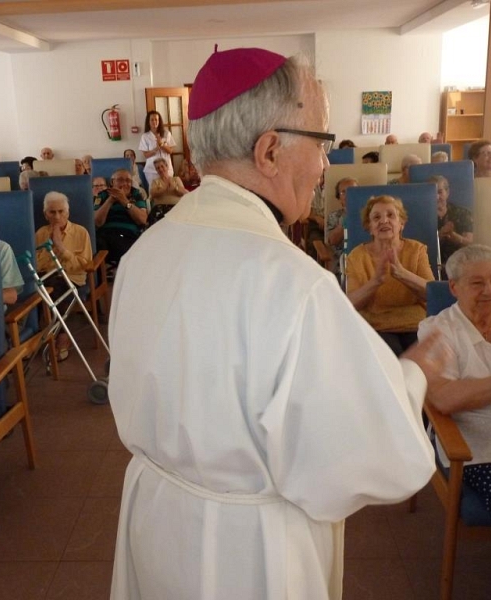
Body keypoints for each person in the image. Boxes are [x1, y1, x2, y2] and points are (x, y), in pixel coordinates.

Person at [107, 47, 442, 600]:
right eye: (322, 143)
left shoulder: (148, 250)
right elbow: (383, 457)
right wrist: (417, 372)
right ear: (269, 151)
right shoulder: (293, 283)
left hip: (157, 522)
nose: (325, 164)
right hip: (247, 556)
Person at [418, 244, 491, 577]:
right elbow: (444, 398)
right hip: (483, 447)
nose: (490, 291)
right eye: (477, 283)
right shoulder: (437, 331)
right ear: (454, 287)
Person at [346, 194, 435, 355]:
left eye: (390, 215)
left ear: (401, 224)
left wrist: (401, 273)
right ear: (370, 227)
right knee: (394, 361)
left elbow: (432, 294)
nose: (384, 221)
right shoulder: (357, 256)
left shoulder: (417, 250)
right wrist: (376, 281)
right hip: (376, 326)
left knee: (422, 361)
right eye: (376, 217)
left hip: (416, 324)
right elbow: (349, 304)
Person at [35, 191, 92, 360]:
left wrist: (61, 248)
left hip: (72, 279)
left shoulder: (81, 232)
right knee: (39, 290)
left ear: (68, 213)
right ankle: (37, 337)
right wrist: (50, 248)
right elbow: (38, 265)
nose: (57, 216)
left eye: (61, 211)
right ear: (46, 214)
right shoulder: (40, 234)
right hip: (46, 278)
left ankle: (61, 338)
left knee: (57, 291)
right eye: (52, 212)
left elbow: (84, 265)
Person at [93, 168, 147, 266]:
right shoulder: (102, 195)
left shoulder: (136, 194)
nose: (125, 184)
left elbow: (142, 220)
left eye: (128, 181)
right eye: (120, 180)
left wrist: (124, 201)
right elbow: (97, 222)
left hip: (128, 235)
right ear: (112, 182)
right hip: (105, 235)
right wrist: (110, 200)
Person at [428, 175, 473, 274]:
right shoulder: (423, 215)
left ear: (447, 192)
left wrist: (453, 236)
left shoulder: (462, 213)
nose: (437, 197)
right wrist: (439, 235)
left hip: (460, 266)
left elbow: (470, 243)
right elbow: (420, 247)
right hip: (431, 266)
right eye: (433, 193)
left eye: (440, 192)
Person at [326, 177, 358, 281]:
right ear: (339, 197)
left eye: (352, 191)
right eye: (343, 192)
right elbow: (333, 241)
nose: (348, 195)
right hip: (342, 260)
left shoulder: (369, 215)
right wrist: (347, 217)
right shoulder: (334, 216)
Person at [139, 110, 176, 188]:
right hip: (152, 170)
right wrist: (156, 149)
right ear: (148, 122)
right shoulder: (145, 136)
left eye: (156, 119)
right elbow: (146, 155)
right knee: (155, 191)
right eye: (152, 119)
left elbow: (170, 151)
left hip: (166, 168)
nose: (154, 121)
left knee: (169, 190)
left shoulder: (166, 133)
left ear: (159, 121)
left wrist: (162, 144)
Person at [148, 157, 187, 225]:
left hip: (176, 208)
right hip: (160, 209)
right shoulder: (155, 181)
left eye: (162, 166)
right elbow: (153, 194)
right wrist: (164, 188)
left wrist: (175, 187)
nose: (160, 169)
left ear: (167, 166)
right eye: (157, 168)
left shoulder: (176, 179)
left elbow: (184, 192)